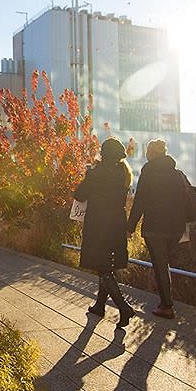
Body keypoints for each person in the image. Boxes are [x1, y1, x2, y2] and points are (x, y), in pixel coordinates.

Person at [73, 137, 136, 328]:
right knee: (107, 264)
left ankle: (124, 307)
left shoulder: (96, 173)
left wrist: (87, 175)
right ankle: (100, 306)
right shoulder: (124, 173)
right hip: (116, 223)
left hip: (99, 224)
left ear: (104, 153)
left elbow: (79, 194)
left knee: (103, 268)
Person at [126, 139, 189, 319]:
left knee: (160, 265)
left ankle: (167, 306)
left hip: (156, 227)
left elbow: (140, 201)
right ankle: (163, 297)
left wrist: (130, 227)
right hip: (176, 228)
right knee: (163, 264)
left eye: (147, 151)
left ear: (151, 153)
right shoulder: (177, 174)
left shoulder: (149, 170)